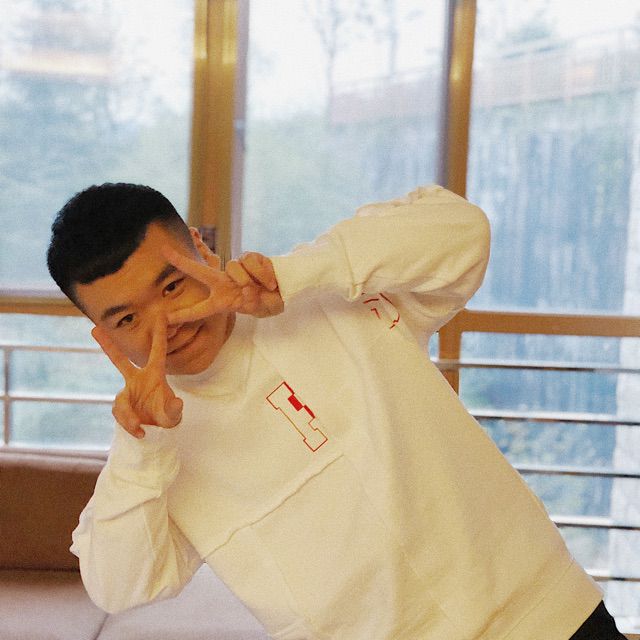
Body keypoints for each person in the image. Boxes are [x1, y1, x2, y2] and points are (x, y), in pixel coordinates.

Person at [46, 183, 626, 640]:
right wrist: (144, 447)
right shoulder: (154, 448)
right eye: (128, 319)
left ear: (202, 248)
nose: (165, 325)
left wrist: (298, 275)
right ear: (104, 336)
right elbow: (119, 586)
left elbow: (462, 230)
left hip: (548, 618)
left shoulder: (324, 297)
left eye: (173, 287)